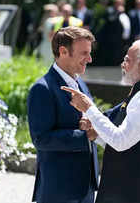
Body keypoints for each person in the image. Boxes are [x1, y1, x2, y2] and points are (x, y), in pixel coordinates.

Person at [62, 38, 140, 203]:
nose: (123, 64)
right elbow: (131, 141)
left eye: (127, 60)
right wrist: (98, 133)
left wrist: (89, 108)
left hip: (139, 193)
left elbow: (120, 141)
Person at [27, 26, 99, 203]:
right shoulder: (42, 88)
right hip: (59, 190)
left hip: (85, 187)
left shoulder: (80, 82)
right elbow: (41, 139)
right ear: (63, 51)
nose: (89, 59)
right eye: (84, 53)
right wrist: (85, 135)